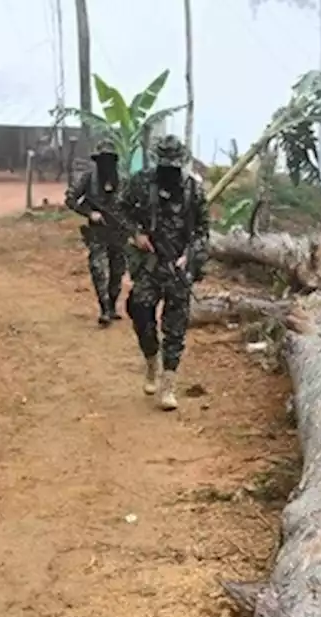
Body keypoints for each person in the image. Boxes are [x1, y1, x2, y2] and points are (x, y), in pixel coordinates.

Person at [116, 134, 209, 411]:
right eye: (164, 163)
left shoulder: (194, 190)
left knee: (175, 327)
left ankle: (168, 384)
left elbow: (203, 231)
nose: (169, 169)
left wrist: (189, 255)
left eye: (173, 164)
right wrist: (136, 233)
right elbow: (121, 209)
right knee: (140, 311)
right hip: (149, 264)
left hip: (178, 269)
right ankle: (150, 358)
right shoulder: (141, 183)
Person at [65, 138, 128, 326]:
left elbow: (133, 205)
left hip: (119, 234)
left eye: (109, 159)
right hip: (98, 233)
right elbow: (70, 199)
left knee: (118, 272)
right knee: (99, 270)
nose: (105, 164)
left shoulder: (123, 181)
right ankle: (104, 309)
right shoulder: (88, 178)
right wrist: (89, 213)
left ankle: (113, 305)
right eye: (102, 160)